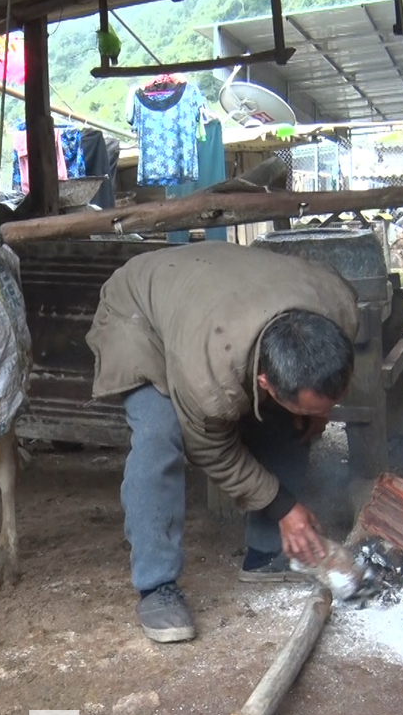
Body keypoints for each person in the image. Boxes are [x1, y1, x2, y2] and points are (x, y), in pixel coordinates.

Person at [86, 241, 359, 643]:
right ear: (265, 383)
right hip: (141, 314)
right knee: (159, 436)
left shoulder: (338, 308)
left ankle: (267, 555)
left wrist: (318, 410)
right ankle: (156, 586)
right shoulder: (208, 384)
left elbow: (318, 382)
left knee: (290, 421)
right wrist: (284, 507)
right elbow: (212, 450)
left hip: (216, 292)